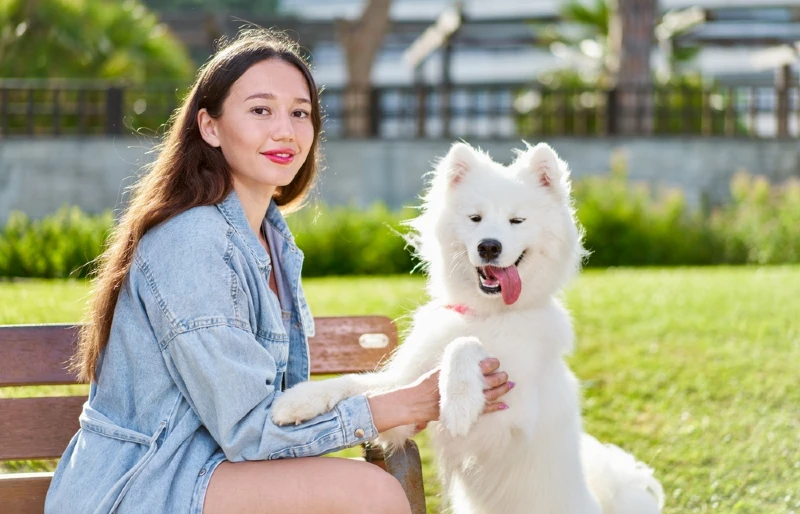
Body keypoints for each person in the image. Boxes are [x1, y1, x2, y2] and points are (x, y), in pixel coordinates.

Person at [44, 29, 512, 514]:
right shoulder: (193, 244)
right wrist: (404, 404)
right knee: (370, 492)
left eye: (300, 113)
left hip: (215, 473)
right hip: (145, 486)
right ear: (210, 127)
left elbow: (275, 421)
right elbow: (251, 430)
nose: (285, 131)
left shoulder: (270, 239)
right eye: (261, 110)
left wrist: (418, 395)